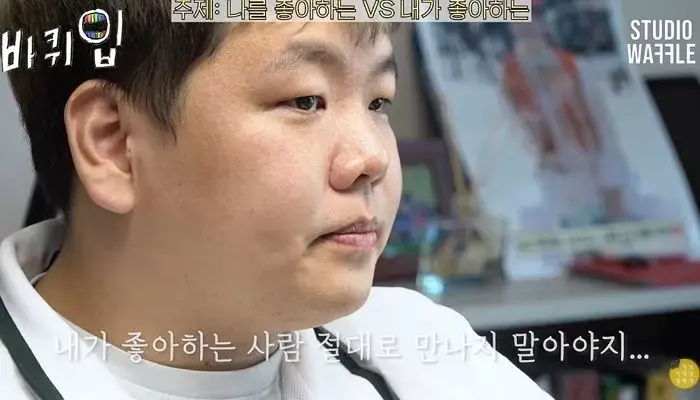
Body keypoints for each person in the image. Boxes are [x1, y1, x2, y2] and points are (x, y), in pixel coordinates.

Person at [0, 2, 552, 399]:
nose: (373, 158)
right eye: (306, 100)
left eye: (378, 102)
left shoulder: (428, 352)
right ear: (114, 143)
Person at [501, 17, 632, 228]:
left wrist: (611, 185)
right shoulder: (510, 76)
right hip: (555, 177)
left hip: (590, 166)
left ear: (543, 26)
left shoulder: (573, 67)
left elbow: (603, 128)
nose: (525, 29)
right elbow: (518, 130)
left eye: (531, 21)